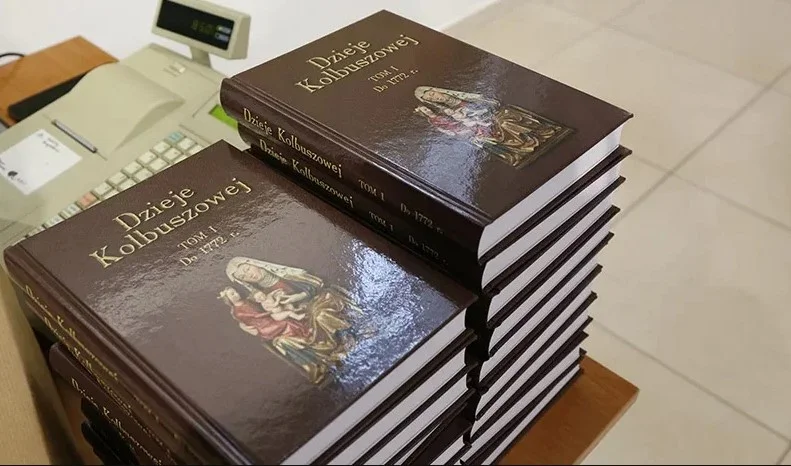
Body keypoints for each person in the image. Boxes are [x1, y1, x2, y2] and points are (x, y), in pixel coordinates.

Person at [413, 86, 571, 167]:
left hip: (496, 114)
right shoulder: (446, 113)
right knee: (488, 135)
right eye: (431, 99)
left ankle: (542, 135)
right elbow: (458, 126)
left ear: (436, 90)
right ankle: (526, 146)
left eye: (433, 94)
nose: (435, 97)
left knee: (505, 121)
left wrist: (482, 111)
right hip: (482, 125)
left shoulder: (464, 96)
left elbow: (492, 103)